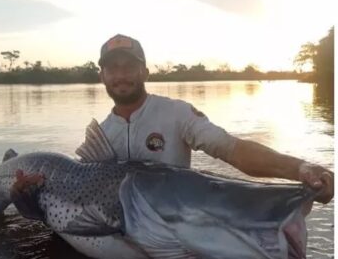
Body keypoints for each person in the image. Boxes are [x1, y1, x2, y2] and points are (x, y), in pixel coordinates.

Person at [86, 33, 333, 203]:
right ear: (102, 77)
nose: (121, 75)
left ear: (145, 73)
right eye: (112, 68)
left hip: (174, 229)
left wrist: (301, 169)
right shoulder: (102, 134)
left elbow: (232, 149)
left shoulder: (176, 113)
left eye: (129, 67)